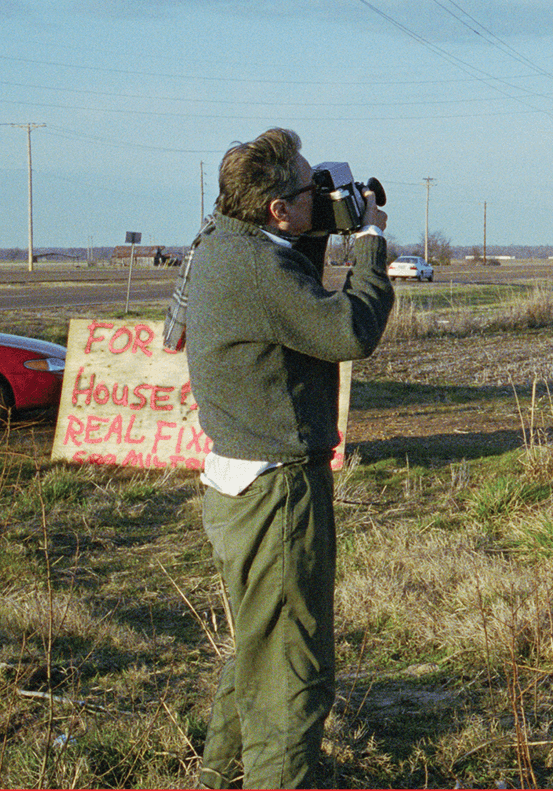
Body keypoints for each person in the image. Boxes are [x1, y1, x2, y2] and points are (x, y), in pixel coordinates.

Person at [185, 127, 395, 788]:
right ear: (278, 208)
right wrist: (368, 245)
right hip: (278, 494)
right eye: (312, 189)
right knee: (290, 674)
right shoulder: (258, 268)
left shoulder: (228, 243)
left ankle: (220, 775)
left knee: (259, 649)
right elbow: (347, 331)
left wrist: (319, 223)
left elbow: (288, 272)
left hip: (241, 484)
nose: (322, 194)